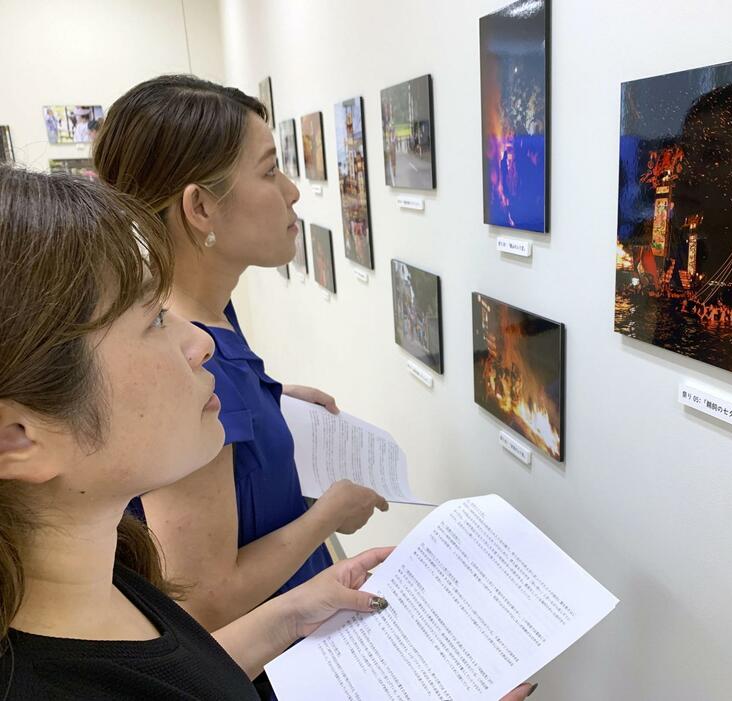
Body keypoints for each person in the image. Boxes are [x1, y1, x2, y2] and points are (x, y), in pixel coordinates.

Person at [0, 165, 538, 701]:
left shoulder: (101, 575)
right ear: (19, 438)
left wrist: (290, 615)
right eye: (153, 322)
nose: (199, 343)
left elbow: (175, 675)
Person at [93, 76, 388, 650]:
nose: (293, 191)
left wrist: (272, 400)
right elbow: (203, 604)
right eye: (270, 169)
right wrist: (327, 515)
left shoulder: (203, 313)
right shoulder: (179, 367)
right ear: (201, 206)